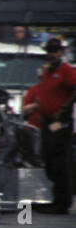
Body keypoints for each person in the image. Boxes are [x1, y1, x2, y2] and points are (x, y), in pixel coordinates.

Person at [20, 37, 76, 213]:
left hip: (60, 122)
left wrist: (64, 109)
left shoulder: (66, 70)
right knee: (48, 158)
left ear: (61, 52)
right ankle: (55, 198)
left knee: (58, 160)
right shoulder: (47, 71)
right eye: (49, 51)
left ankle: (62, 202)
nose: (51, 54)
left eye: (54, 51)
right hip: (46, 121)